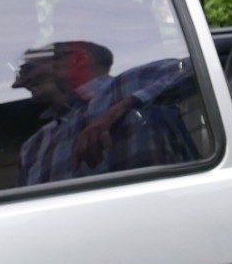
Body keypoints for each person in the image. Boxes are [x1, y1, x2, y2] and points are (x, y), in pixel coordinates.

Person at [13, 39, 198, 186]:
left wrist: (122, 107)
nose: (18, 84)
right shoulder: (33, 149)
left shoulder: (132, 83)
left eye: (27, 69)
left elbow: (198, 68)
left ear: (78, 60)